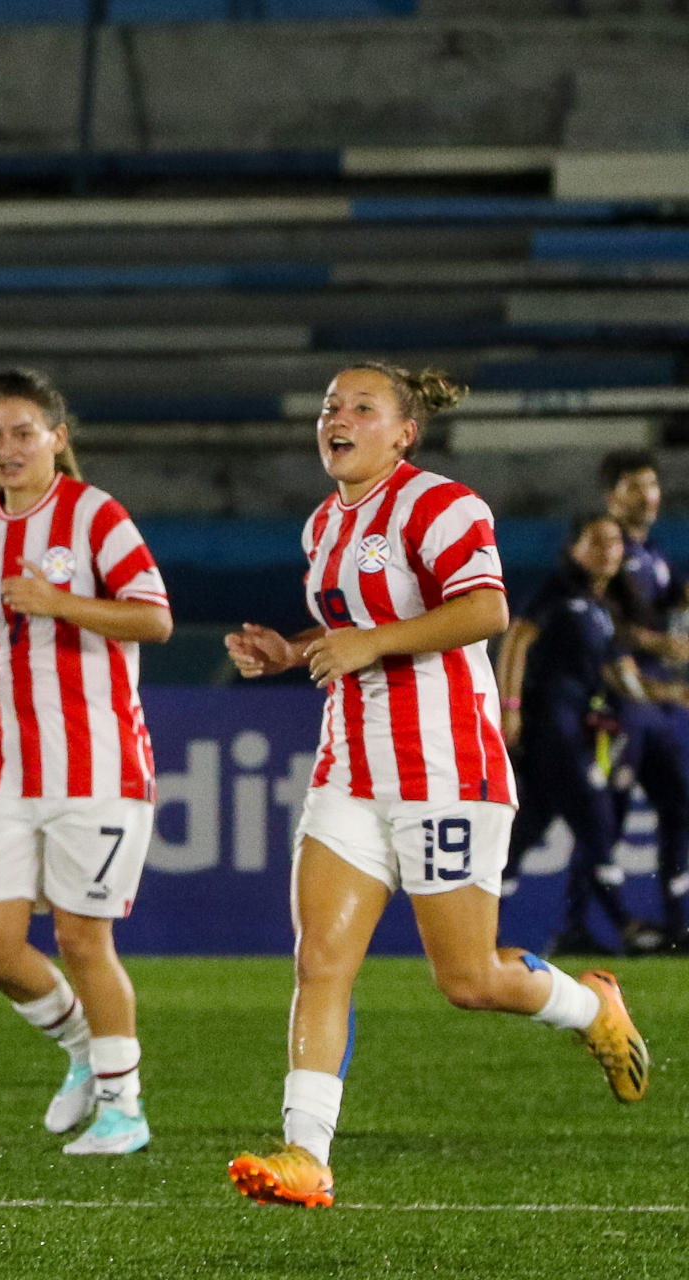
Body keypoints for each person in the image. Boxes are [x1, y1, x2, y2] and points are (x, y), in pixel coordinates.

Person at [222, 362, 649, 1209]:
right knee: (320, 961)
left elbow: (484, 610)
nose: (336, 418)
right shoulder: (323, 525)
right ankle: (308, 1156)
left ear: (404, 432)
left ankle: (589, 1003)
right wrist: (294, 649)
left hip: (445, 767)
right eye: (328, 406)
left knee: (469, 981)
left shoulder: (442, 504)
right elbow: (353, 627)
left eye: (361, 407)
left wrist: (367, 645)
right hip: (349, 765)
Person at [0, 369, 171, 1156]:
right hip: (10, 765)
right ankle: (83, 1048)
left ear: (57, 437)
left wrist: (63, 603)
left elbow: (154, 618)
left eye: (21, 433)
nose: (5, 449)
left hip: (99, 765)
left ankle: (124, 1111)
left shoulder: (94, 515)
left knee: (83, 937)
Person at [495, 515, 648, 952]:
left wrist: (668, 692)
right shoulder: (559, 590)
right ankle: (625, 925)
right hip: (549, 725)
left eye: (616, 541)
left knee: (526, 831)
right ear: (574, 548)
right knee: (595, 818)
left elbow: (621, 675)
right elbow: (515, 640)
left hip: (574, 727)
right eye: (597, 541)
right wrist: (510, 709)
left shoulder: (600, 607)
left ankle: (486, 932)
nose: (609, 550)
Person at [597, 449, 689, 950]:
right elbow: (599, 621)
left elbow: (671, 602)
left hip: (657, 703)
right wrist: (659, 642)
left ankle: (677, 922)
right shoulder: (605, 549)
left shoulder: (652, 552)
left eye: (652, 486)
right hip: (619, 700)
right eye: (636, 487)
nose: (649, 496)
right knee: (603, 819)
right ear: (612, 497)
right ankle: (584, 925)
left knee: (678, 808)